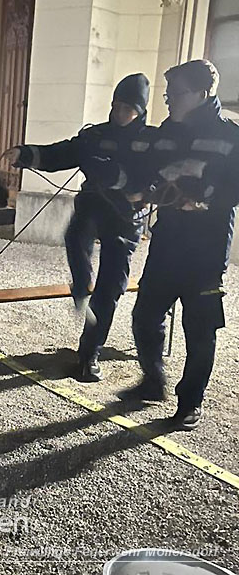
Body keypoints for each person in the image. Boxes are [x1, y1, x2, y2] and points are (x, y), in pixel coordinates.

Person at [4, 74, 155, 382]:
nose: (118, 112)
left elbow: (161, 179)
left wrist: (136, 189)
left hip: (126, 218)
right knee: (76, 235)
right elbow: (62, 153)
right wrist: (26, 154)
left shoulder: (152, 142)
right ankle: (81, 284)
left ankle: (89, 355)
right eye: (115, 105)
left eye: (126, 107)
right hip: (93, 207)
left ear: (140, 110)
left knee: (110, 288)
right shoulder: (96, 136)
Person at [119, 60, 239, 430]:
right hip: (168, 240)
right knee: (145, 315)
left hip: (206, 246)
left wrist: (204, 198)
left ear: (203, 93)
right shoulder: (167, 131)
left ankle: (191, 403)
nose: (168, 99)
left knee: (200, 328)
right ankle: (153, 380)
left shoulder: (231, 136)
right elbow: (151, 171)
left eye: (176, 93)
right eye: (167, 93)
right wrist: (140, 190)